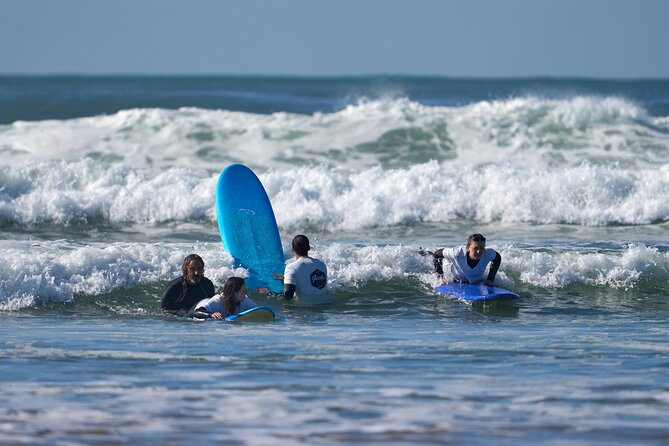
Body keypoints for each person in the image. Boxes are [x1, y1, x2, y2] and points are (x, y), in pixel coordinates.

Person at [273, 234, 329, 304]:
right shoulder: (321, 265)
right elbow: (309, 283)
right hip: (323, 309)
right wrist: (286, 279)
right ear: (309, 248)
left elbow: (288, 296)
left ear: (292, 248)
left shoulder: (291, 268)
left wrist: (270, 293)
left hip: (304, 311)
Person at [430, 233, 501, 286]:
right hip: (450, 268)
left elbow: (498, 258)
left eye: (482, 248)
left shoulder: (488, 253)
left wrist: (490, 279)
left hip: (471, 279)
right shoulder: (456, 253)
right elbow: (436, 254)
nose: (479, 251)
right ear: (468, 247)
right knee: (432, 253)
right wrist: (440, 277)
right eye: (475, 248)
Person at [192, 277, 257, 319]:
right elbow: (197, 312)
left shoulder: (244, 300)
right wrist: (211, 314)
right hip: (200, 304)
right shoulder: (218, 301)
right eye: (243, 291)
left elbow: (258, 311)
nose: (246, 293)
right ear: (234, 292)